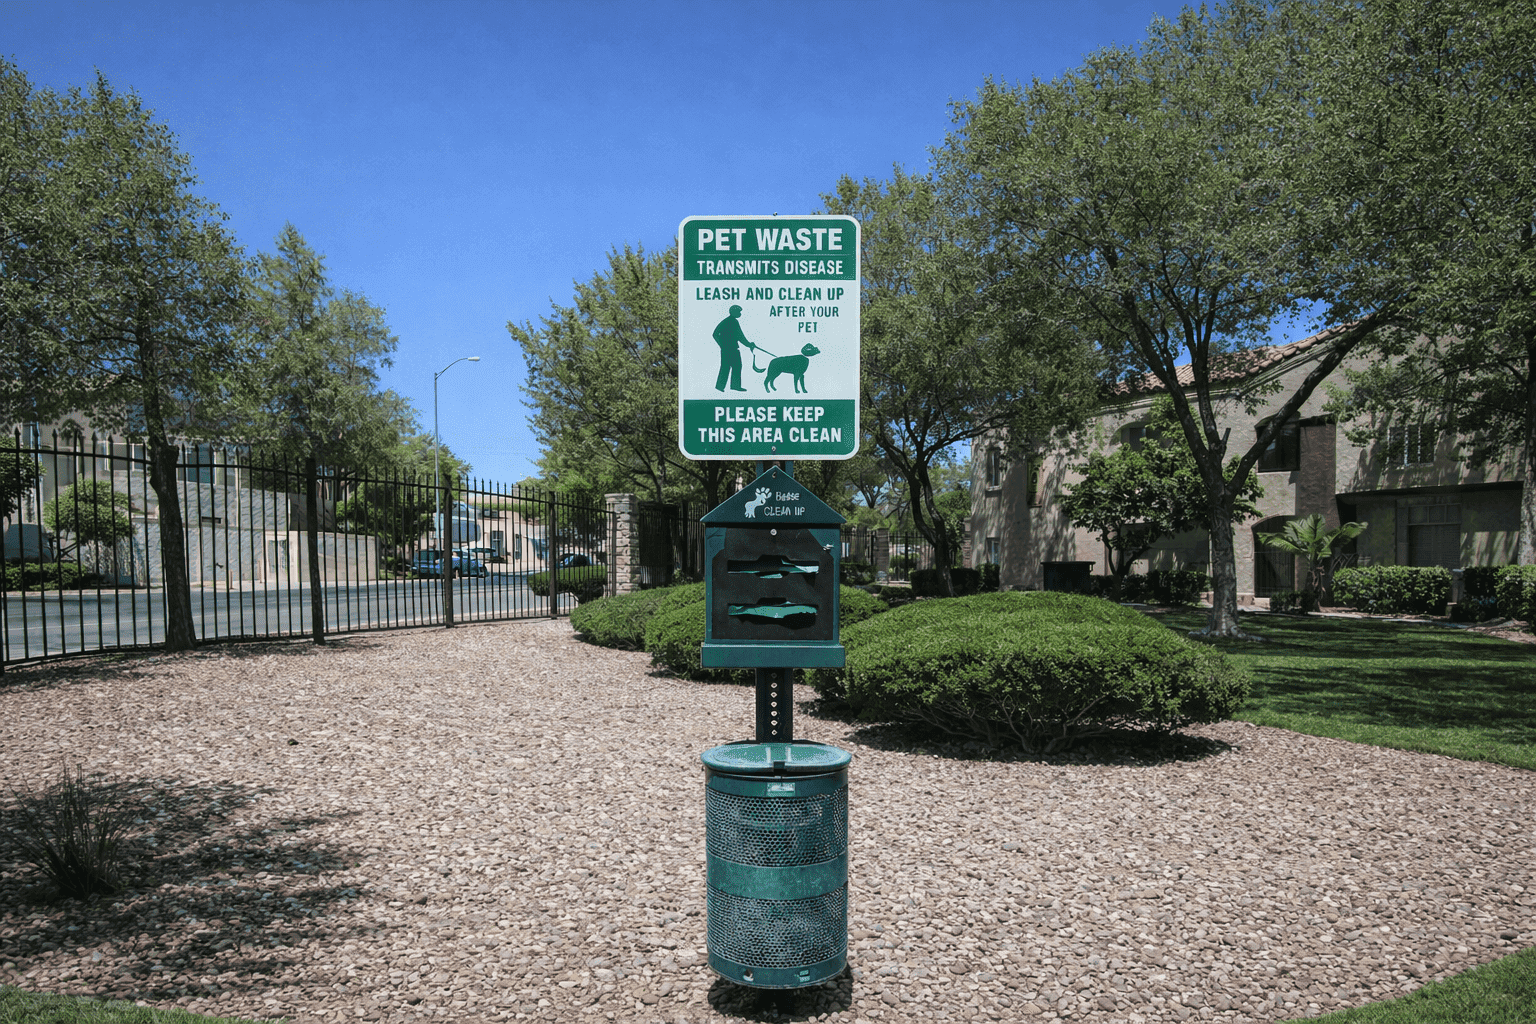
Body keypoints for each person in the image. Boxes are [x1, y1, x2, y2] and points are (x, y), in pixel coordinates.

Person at [713, 305, 755, 392]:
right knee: (736, 366)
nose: (740, 314)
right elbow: (740, 336)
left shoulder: (727, 321)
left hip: (727, 350)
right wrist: (749, 344)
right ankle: (734, 386)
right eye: (739, 312)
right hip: (731, 349)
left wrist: (722, 345)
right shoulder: (733, 322)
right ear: (734, 312)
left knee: (726, 367)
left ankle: (720, 386)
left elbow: (739, 336)